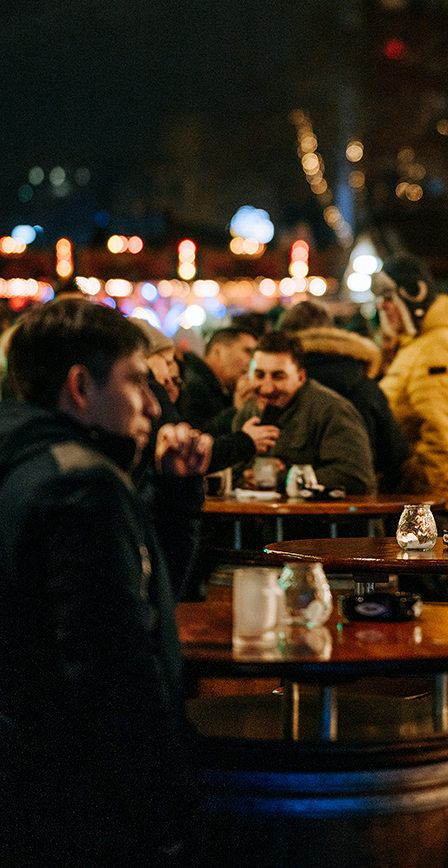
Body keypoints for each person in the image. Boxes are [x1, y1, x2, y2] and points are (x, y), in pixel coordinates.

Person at [0, 297, 213, 868]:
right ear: (80, 386)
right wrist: (164, 804)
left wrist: (174, 497)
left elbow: (137, 590)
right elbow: (114, 663)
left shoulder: (30, 463)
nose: (151, 404)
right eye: (136, 381)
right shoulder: (84, 488)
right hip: (82, 796)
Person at [373, 255, 448, 521]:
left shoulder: (439, 346)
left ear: (411, 296)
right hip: (425, 503)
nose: (383, 306)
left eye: (389, 297)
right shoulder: (419, 344)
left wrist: (412, 489)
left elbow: (443, 436)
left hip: (433, 507)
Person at [277, 299, 409, 491]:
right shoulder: (364, 383)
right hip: (359, 505)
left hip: (288, 505)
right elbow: (395, 454)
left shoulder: (277, 388)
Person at [231, 330, 376, 496]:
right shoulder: (247, 414)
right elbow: (234, 474)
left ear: (300, 377)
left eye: (278, 376)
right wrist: (247, 479)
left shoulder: (330, 410)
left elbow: (356, 476)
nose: (267, 387)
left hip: (322, 520)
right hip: (265, 519)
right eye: (259, 375)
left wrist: (281, 478)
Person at [178, 320, 258, 430]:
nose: (252, 362)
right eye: (247, 351)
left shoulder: (221, 389)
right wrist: (236, 409)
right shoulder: (192, 385)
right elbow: (198, 438)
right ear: (217, 351)